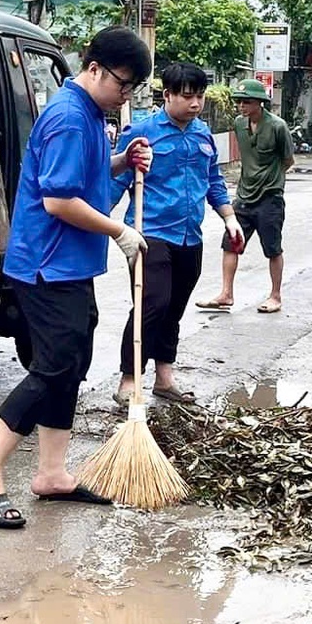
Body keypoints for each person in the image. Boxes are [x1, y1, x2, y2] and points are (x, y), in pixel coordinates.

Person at [0, 27, 154, 529]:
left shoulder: (89, 115)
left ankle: (51, 473)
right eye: (123, 83)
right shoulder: (69, 118)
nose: (125, 94)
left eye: (132, 87)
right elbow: (59, 201)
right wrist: (119, 232)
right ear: (94, 69)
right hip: (47, 265)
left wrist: (121, 160)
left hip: (70, 266)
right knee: (53, 367)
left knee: (71, 364)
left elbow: (82, 178)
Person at [112, 61, 242, 406]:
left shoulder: (203, 135)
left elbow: (213, 181)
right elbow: (114, 181)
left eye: (199, 96)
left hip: (190, 236)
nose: (195, 104)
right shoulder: (141, 134)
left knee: (174, 309)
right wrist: (104, 226)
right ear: (167, 95)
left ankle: (164, 377)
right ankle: (129, 379)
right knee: (151, 304)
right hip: (149, 231)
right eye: (187, 97)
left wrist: (229, 218)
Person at [197, 76, 293, 314]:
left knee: (272, 248)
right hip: (243, 196)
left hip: (270, 197)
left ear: (259, 103)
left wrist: (271, 179)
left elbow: (288, 160)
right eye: (239, 101)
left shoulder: (278, 126)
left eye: (247, 102)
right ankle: (226, 294)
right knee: (230, 244)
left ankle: (275, 295)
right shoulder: (240, 124)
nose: (242, 106)